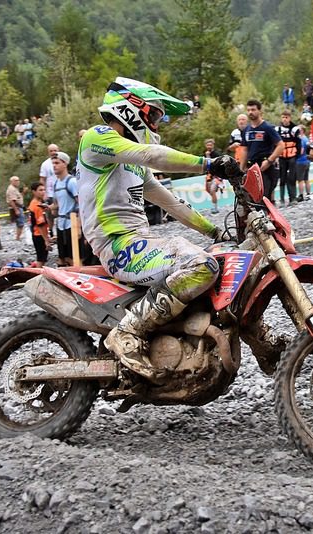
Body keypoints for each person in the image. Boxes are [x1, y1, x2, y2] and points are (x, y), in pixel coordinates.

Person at [76, 77, 239, 378]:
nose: (156, 124)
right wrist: (207, 164)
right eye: (153, 115)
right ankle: (127, 333)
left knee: (220, 260)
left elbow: (172, 203)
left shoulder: (134, 163)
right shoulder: (97, 137)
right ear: (130, 108)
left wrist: (216, 232)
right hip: (118, 246)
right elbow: (154, 155)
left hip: (138, 241)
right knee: (201, 266)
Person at [244, 99, 284, 203]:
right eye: (248, 110)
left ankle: (268, 211)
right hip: (252, 166)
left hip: (265, 166)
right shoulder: (247, 130)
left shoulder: (267, 128)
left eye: (253, 110)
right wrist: (242, 168)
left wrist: (269, 161)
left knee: (264, 196)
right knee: (252, 198)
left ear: (260, 111)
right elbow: (244, 149)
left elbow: (281, 145)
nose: (250, 112)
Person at [51, 152, 80, 266]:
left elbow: (81, 204)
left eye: (57, 163)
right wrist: (49, 208)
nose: (54, 166)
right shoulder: (56, 184)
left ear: (65, 164)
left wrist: (79, 226)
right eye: (53, 163)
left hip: (72, 224)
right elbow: (57, 205)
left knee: (75, 259)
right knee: (62, 258)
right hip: (60, 224)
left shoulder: (72, 182)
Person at [276, 110, 301, 206]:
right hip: (281, 157)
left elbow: (298, 143)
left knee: (292, 177)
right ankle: (282, 199)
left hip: (292, 157)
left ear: (290, 118)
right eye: (283, 117)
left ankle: (293, 198)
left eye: (286, 117)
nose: (284, 119)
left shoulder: (295, 129)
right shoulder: (277, 129)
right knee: (282, 178)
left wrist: (297, 155)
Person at [28, 182, 51, 267]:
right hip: (39, 234)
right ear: (34, 192)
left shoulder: (34, 203)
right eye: (40, 190)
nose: (43, 192)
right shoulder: (37, 206)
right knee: (41, 259)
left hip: (36, 233)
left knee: (42, 258)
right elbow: (40, 225)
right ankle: (38, 273)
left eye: (44, 190)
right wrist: (46, 240)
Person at [203, 139, 223, 213]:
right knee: (210, 191)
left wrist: (208, 156)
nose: (209, 146)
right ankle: (214, 205)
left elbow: (216, 164)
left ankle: (215, 208)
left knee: (212, 190)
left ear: (213, 145)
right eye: (208, 145)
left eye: (210, 145)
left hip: (216, 176)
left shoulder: (216, 154)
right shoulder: (204, 154)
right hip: (209, 176)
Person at [6, 175, 25, 241]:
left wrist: (23, 192)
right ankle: (18, 237)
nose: (18, 182)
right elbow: (12, 201)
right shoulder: (11, 189)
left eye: (18, 180)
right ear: (11, 181)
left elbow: (18, 198)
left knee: (20, 223)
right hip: (16, 207)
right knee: (20, 223)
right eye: (16, 180)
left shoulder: (14, 189)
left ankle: (18, 237)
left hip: (19, 207)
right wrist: (16, 210)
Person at [295, 125, 311, 201]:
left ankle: (301, 195)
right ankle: (308, 194)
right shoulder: (306, 139)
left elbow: (301, 151)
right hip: (307, 160)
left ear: (302, 130)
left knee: (300, 180)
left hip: (300, 161)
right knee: (306, 179)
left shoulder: (301, 140)